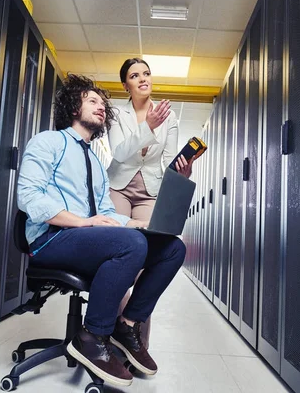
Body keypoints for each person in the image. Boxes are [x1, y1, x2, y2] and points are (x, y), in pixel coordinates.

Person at [17, 74, 186, 387]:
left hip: (84, 239)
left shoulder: (95, 160)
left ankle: (127, 324)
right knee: (132, 245)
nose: (101, 108)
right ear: (72, 108)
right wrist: (82, 222)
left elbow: (106, 213)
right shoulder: (47, 142)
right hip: (50, 240)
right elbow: (29, 197)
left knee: (172, 248)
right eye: (92, 101)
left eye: (103, 104)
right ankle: (93, 335)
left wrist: (137, 223)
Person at [107, 58, 195, 348]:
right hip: (118, 186)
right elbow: (120, 153)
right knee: (118, 260)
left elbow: (169, 160)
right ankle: (105, 341)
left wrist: (184, 171)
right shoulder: (116, 115)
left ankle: (136, 344)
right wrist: (147, 126)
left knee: (148, 261)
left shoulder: (168, 116)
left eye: (146, 73)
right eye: (135, 75)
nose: (143, 78)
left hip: (150, 190)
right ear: (126, 85)